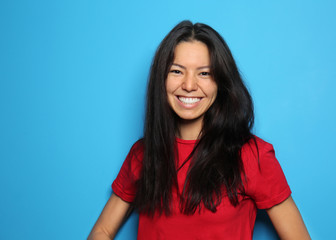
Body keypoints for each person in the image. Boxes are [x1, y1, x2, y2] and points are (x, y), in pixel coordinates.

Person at [88, 20, 311, 240]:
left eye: (204, 73)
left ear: (221, 83)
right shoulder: (143, 153)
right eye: (177, 71)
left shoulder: (253, 156)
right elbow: (102, 231)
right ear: (161, 79)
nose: (189, 85)